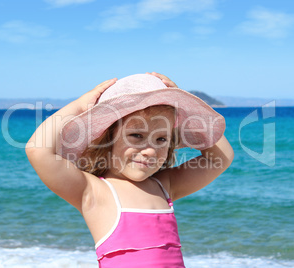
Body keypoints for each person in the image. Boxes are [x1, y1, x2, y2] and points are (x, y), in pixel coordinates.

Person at [25, 72, 234, 267]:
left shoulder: (164, 186)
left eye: (161, 139)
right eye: (136, 136)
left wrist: (184, 107)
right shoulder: (94, 191)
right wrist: (79, 106)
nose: (150, 151)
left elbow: (221, 158)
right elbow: (38, 151)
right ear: (108, 138)